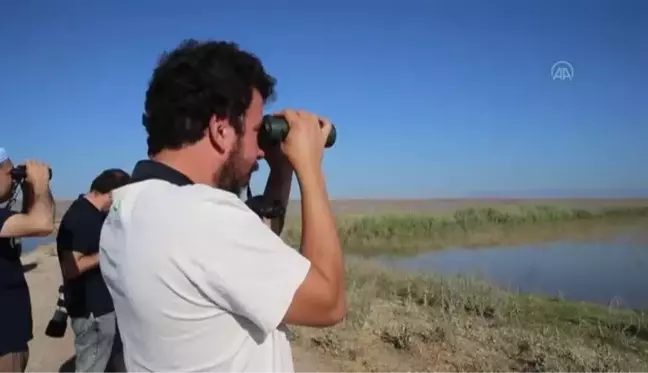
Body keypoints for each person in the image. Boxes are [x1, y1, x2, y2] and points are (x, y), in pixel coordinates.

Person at [99, 39, 346, 373]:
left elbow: (252, 249)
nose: (262, 150)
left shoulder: (128, 208)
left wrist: (281, 170)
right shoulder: (202, 218)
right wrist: (310, 167)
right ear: (221, 130)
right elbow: (329, 302)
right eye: (259, 133)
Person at [56, 169, 130, 373]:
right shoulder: (81, 218)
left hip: (101, 310)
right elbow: (71, 267)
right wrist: (109, 251)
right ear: (111, 193)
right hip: (92, 313)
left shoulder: (93, 214)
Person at [0, 148, 55, 373]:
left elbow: (29, 221)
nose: (15, 179)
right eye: (11, 173)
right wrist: (40, 184)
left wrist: (30, 190)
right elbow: (43, 224)